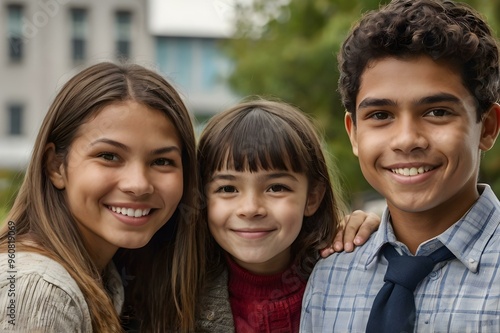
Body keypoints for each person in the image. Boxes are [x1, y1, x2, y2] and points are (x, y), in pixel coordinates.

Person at [300, 0, 500, 332]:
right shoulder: (329, 276)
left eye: (437, 111)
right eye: (380, 115)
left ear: (488, 127)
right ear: (354, 133)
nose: (406, 140)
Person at [0, 61, 202, 332]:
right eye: (109, 156)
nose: (139, 185)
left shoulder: (110, 275)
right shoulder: (39, 290)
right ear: (55, 166)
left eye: (162, 161)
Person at [193, 98, 379, 333]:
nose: (250, 209)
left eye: (276, 188)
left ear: (312, 197)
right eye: (228, 189)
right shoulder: (178, 296)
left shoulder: (351, 280)